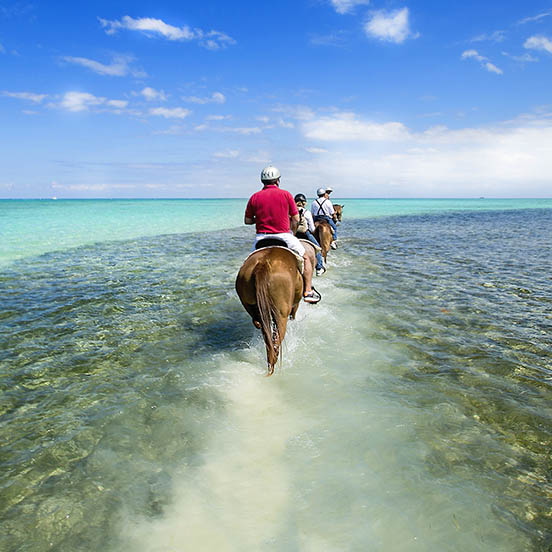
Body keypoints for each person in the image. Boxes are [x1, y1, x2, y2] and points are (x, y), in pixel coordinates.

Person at [244, 166, 321, 303]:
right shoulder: (286, 195)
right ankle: (308, 291)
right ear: (278, 181)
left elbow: (247, 221)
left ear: (262, 181)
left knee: (247, 265)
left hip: (261, 238)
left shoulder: (254, 197)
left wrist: (261, 218)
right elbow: (296, 218)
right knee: (306, 258)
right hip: (284, 236)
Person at [294, 193, 326, 276]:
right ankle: (319, 268)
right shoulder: (306, 213)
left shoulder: (291, 211)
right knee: (318, 248)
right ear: (304, 203)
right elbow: (312, 228)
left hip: (293, 235)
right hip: (305, 234)